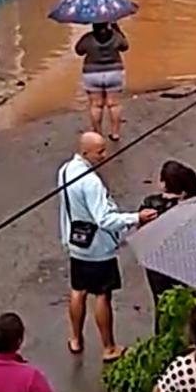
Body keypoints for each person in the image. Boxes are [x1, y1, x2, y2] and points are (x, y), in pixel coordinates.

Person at [58, 131, 156, 360]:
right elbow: (104, 219)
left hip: (76, 241)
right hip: (97, 247)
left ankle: (75, 338)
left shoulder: (65, 170)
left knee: (78, 290)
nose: (104, 155)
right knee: (102, 295)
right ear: (85, 152)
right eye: (99, 151)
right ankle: (109, 347)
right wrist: (136, 218)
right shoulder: (91, 182)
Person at [141, 160, 196, 321]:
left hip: (157, 264)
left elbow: (142, 232)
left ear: (164, 183)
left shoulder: (150, 205)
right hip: (185, 263)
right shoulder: (195, 206)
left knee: (162, 305)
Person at [75, 22, 129, 141]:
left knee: (96, 105)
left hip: (92, 73)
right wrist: (117, 29)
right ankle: (115, 133)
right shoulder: (116, 36)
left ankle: (98, 134)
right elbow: (125, 46)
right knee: (113, 104)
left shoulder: (88, 38)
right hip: (114, 73)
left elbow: (78, 50)